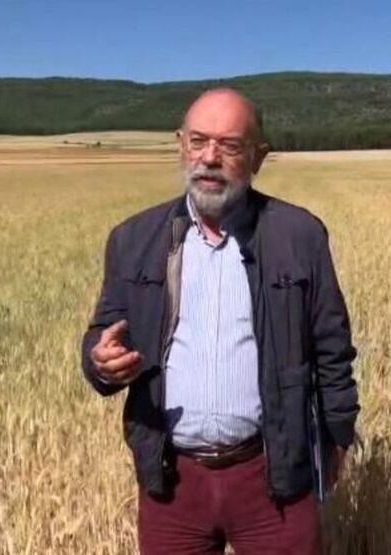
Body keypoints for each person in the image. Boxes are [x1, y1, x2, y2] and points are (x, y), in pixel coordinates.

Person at [80, 88, 359, 554]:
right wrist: (99, 362)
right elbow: (103, 333)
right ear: (180, 144)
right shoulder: (133, 239)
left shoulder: (299, 236)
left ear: (257, 157)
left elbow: (332, 347)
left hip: (273, 479)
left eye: (229, 145)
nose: (209, 158)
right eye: (198, 141)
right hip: (173, 485)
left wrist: (338, 437)